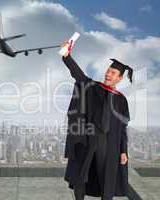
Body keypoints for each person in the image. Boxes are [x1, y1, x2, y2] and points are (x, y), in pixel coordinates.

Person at [60, 40, 132, 200]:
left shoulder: (122, 100)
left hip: (110, 143)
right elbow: (78, 75)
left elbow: (122, 128)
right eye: (108, 71)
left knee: (107, 179)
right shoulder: (93, 88)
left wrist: (123, 150)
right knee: (81, 174)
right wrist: (67, 56)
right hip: (88, 138)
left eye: (113, 73)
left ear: (119, 78)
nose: (108, 74)